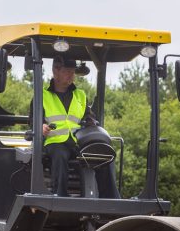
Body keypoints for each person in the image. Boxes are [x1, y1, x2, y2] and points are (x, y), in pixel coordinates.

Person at [37, 54, 119, 198]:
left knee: (101, 154)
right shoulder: (42, 95)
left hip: (77, 142)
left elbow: (89, 117)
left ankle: (111, 198)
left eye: (73, 72)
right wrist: (40, 126)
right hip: (55, 142)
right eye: (67, 71)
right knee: (60, 156)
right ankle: (60, 196)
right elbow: (33, 120)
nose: (72, 76)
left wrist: (91, 124)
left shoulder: (80, 95)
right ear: (56, 71)